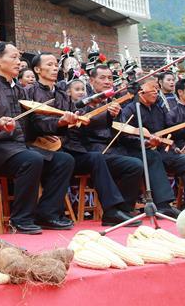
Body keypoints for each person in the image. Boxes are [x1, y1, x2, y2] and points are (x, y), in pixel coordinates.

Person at [0, 42, 74, 234]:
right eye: (13, 57)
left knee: (64, 160)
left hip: (21, 147)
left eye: (19, 58)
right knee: (32, 159)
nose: (19, 62)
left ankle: (47, 213)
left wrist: (60, 123)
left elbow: (35, 123)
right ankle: (20, 218)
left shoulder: (20, 90)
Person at [27, 54, 135, 225]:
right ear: (37, 69)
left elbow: (82, 118)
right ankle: (47, 213)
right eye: (50, 64)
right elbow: (34, 123)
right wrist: (59, 123)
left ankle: (112, 211)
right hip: (42, 148)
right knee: (65, 159)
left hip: (68, 147)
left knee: (96, 158)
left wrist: (107, 114)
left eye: (56, 64)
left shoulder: (63, 94)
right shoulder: (29, 92)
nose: (55, 68)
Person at [70, 65, 146, 225]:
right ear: (91, 80)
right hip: (89, 150)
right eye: (102, 78)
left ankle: (124, 210)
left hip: (114, 150)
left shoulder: (113, 100)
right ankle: (112, 212)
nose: (107, 81)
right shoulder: (83, 98)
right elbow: (83, 123)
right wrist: (107, 114)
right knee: (106, 159)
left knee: (136, 164)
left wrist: (117, 116)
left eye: (110, 78)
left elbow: (122, 129)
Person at [115, 77, 185, 216]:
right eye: (152, 89)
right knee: (153, 156)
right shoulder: (130, 109)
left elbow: (170, 131)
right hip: (136, 151)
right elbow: (124, 137)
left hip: (161, 150)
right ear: (141, 92)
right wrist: (146, 143)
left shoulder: (158, 109)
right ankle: (163, 204)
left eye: (157, 89)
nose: (156, 92)